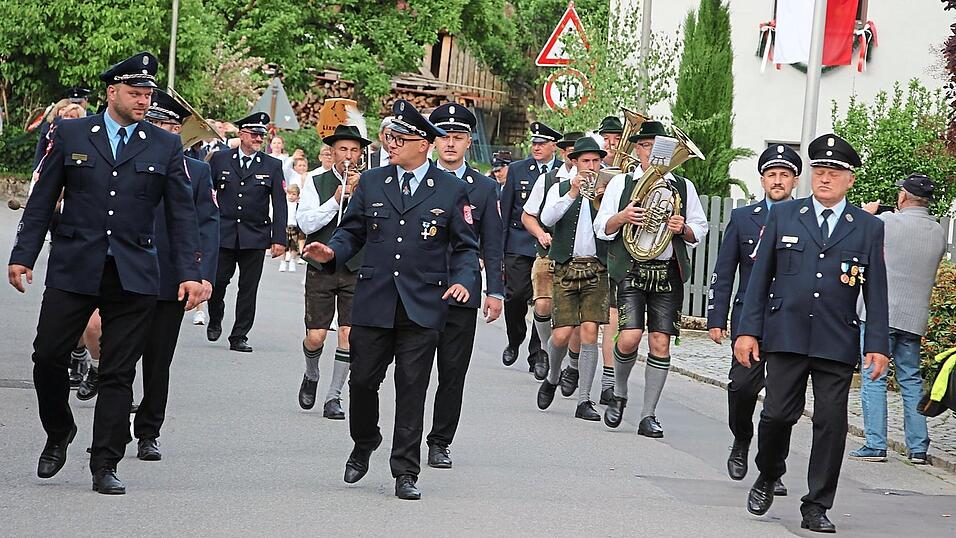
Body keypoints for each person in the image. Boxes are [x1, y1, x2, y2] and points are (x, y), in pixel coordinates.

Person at [7, 51, 205, 494]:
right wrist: (24, 254)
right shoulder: (71, 131)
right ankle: (59, 432)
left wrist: (191, 271)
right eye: (134, 93)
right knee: (47, 357)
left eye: (147, 94)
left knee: (119, 371)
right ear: (111, 92)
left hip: (135, 271)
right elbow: (42, 199)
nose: (142, 101)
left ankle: (104, 463)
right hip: (75, 265)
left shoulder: (164, 144)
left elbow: (182, 215)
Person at [302, 99, 479, 501]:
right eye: (389, 137)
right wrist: (332, 252)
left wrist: (465, 281)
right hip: (375, 299)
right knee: (363, 382)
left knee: (412, 386)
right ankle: (364, 442)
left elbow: (466, 247)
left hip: (423, 304)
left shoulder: (452, 190)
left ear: (424, 144)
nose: (391, 144)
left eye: (399, 138)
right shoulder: (373, 182)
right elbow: (351, 232)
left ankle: (405, 469)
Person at [734, 133, 890, 533]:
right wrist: (748, 331)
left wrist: (877, 345)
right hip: (785, 334)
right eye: (819, 171)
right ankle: (768, 472)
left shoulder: (868, 228)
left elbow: (876, 290)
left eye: (834, 172)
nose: (825, 178)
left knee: (831, 424)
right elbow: (759, 280)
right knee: (775, 415)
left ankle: (817, 505)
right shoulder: (785, 216)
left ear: (849, 180)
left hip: (835, 339)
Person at [594, 120, 709, 438]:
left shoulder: (682, 187)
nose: (651, 153)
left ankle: (648, 415)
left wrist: (681, 227)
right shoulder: (620, 184)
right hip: (631, 269)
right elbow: (600, 227)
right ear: (636, 150)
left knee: (660, 341)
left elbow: (699, 228)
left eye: (657, 147)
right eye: (644, 146)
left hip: (667, 272)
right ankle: (619, 392)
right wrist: (623, 217)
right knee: (629, 337)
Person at [707, 144, 802, 496]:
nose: (778, 181)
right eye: (772, 175)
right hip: (750, 316)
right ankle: (741, 438)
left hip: (788, 321)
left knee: (781, 401)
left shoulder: (802, 218)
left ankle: (772, 469)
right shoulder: (744, 218)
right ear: (762, 180)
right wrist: (716, 315)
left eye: (785, 175)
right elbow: (724, 269)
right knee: (743, 387)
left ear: (794, 180)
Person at [134, 89, 220, 461]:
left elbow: (208, 226)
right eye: (158, 124)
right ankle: (114, 421)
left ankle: (149, 432)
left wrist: (203, 277)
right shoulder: (130, 161)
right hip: (127, 274)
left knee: (157, 361)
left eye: (172, 125)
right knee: (120, 357)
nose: (166, 131)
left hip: (172, 278)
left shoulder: (197, 172)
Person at [425, 103, 504, 468]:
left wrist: (495, 291)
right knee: (414, 369)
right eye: (444, 137)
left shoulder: (485, 188)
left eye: (458, 138)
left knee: (452, 372)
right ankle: (406, 434)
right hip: (420, 288)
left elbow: (492, 243)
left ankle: (440, 441)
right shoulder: (420, 178)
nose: (450, 144)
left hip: (464, 290)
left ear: (469, 142)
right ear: (434, 141)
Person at [848, 174, 946, 465]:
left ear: (903, 196)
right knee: (911, 379)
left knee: (874, 376)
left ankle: (876, 444)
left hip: (879, 314)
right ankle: (918, 448)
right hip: (914, 317)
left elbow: (857, 234)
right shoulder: (938, 232)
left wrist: (867, 212)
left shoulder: (886, 222)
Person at [295, 124, 368, 420]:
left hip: (356, 267)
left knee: (348, 335)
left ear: (361, 154)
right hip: (322, 267)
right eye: (342, 150)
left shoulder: (370, 183)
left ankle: (333, 397)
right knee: (316, 337)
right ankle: (311, 373)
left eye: (354, 150)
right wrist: (336, 199)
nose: (348, 156)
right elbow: (306, 224)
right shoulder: (316, 181)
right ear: (332, 152)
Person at [535, 137, 609, 421]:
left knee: (590, 331)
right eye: (586, 161)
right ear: (575, 162)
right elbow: (547, 217)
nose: (591, 166)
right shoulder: (560, 187)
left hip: (596, 269)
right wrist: (573, 194)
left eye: (595, 161)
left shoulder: (608, 189)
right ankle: (554, 376)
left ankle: (584, 400)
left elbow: (611, 229)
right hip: (565, 267)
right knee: (562, 334)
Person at [206, 112, 288, 352]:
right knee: (218, 281)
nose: (258, 138)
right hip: (224, 233)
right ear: (241, 134)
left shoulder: (272, 165)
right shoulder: (220, 160)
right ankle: (215, 315)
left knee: (248, 288)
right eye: (253, 134)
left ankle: (239, 335)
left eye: (261, 135)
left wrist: (279, 239)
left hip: (255, 235)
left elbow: (280, 204)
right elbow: (207, 196)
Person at [500, 122, 563, 372]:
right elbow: (506, 211)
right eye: (534, 143)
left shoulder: (562, 172)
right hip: (518, 242)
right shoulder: (517, 170)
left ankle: (538, 353)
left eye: (542, 143)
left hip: (549, 245)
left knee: (543, 300)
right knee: (514, 296)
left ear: (554, 147)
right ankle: (515, 339)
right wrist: (500, 252)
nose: (536, 147)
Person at [520, 131, 582, 382]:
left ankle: (573, 366)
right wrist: (540, 234)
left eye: (576, 152)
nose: (572, 155)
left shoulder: (598, 180)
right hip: (549, 252)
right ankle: (544, 350)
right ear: (562, 152)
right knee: (543, 304)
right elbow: (528, 215)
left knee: (577, 318)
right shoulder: (548, 180)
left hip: (581, 258)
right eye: (568, 150)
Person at [280, 184, 303, 272]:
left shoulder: (299, 205)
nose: (291, 196)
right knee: (284, 245)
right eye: (289, 194)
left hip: (295, 227)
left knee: (294, 246)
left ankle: (292, 261)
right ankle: (283, 262)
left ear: (297, 196)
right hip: (285, 226)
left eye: (293, 194)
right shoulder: (284, 204)